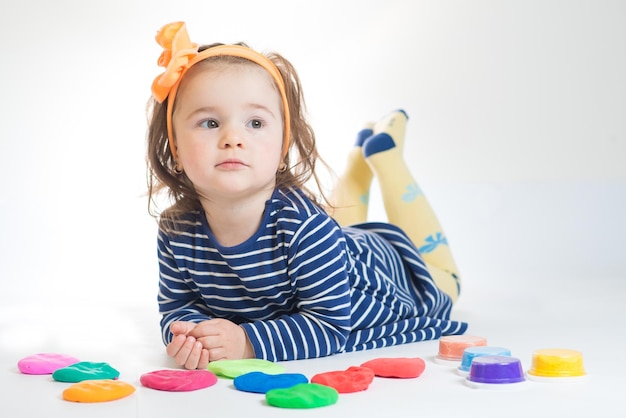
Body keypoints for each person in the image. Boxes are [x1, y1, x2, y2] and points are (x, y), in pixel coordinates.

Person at [146, 21, 467, 370]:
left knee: (446, 279)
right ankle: (357, 164)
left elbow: (329, 327)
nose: (232, 138)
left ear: (283, 147)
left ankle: (386, 159)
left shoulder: (307, 229)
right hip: (337, 244)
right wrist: (189, 336)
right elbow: (178, 306)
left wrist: (246, 342)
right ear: (175, 147)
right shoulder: (175, 229)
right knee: (337, 223)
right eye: (210, 123)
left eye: (255, 123)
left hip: (392, 274)